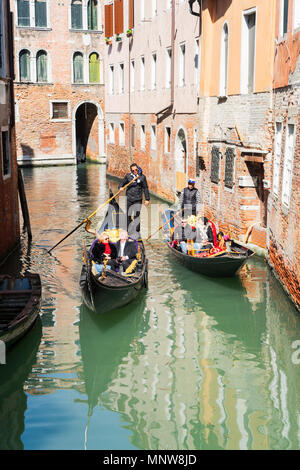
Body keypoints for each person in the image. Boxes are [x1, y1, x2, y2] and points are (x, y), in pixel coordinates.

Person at [119, 163, 150, 238]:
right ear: (131, 171)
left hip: (138, 199)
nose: (135, 171)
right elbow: (122, 183)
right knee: (128, 215)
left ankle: (137, 231)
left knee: (137, 216)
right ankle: (128, 230)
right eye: (133, 170)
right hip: (129, 198)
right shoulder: (128, 176)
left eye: (136, 170)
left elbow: (145, 188)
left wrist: (147, 199)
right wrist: (120, 187)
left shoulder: (142, 177)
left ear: (138, 169)